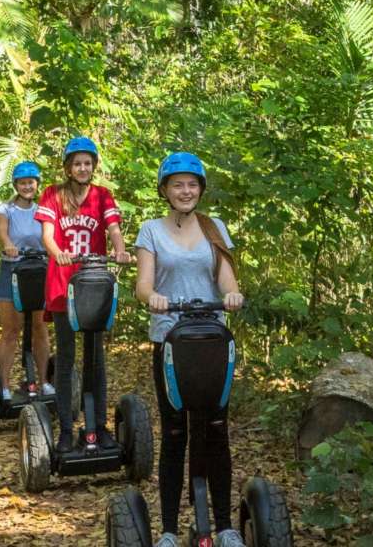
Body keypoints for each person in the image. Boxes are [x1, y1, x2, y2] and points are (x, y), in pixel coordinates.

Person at [134, 152, 245, 547]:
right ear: (165, 189)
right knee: (176, 432)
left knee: (215, 431)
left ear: (200, 189)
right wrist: (155, 297)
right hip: (170, 340)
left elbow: (226, 278)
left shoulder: (214, 228)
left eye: (192, 184)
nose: (186, 191)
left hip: (212, 342)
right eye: (178, 184)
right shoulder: (151, 230)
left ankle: (224, 526)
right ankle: (166, 530)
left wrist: (231, 295)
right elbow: (142, 284)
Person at [35, 136, 132, 453]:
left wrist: (120, 250)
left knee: (96, 358)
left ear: (93, 166)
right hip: (64, 284)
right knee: (66, 358)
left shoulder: (103, 196)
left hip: (94, 283)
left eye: (87, 163)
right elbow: (47, 235)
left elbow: (113, 228)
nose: (82, 168)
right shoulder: (53, 194)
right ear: (67, 167)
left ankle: (98, 428)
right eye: (76, 163)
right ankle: (65, 429)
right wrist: (58, 252)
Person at [0, 161, 52, 401]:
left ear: (37, 184)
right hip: (13, 271)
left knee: (40, 328)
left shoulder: (43, 210)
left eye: (31, 182)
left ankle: (44, 382)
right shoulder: (5, 209)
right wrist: (8, 245)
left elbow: (51, 236)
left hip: (39, 272)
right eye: (22, 183)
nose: (27, 186)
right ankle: (4, 385)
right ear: (16, 185)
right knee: (11, 329)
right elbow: (2, 231)